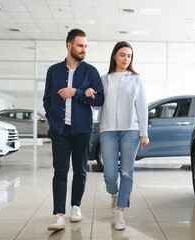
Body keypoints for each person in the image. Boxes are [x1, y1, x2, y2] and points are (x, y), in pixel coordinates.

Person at [43, 28, 104, 231]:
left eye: (85, 46)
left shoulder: (91, 71)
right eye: (80, 45)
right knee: (60, 170)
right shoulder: (53, 71)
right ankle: (58, 214)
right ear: (69, 45)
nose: (83, 49)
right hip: (60, 130)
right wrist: (53, 122)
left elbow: (99, 98)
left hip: (82, 130)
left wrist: (76, 92)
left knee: (80, 170)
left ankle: (75, 206)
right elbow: (47, 100)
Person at [98, 41, 149, 230]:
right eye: (122, 55)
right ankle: (114, 194)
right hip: (108, 130)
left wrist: (144, 133)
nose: (126, 59)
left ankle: (120, 212)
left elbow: (142, 108)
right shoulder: (104, 79)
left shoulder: (136, 79)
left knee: (126, 172)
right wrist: (88, 93)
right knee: (110, 175)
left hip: (131, 131)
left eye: (129, 56)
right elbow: (97, 104)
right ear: (114, 56)